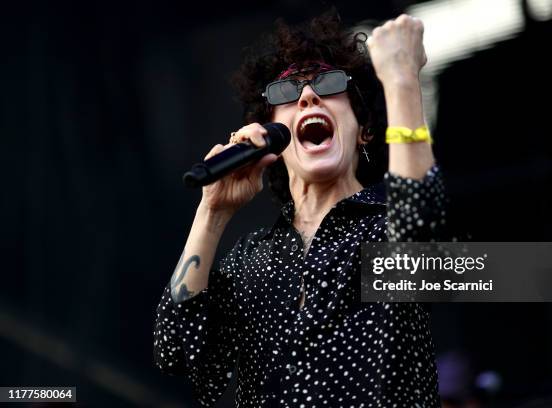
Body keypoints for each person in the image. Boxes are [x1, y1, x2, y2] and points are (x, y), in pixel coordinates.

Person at [154, 10, 449, 407]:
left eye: (327, 85)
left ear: (363, 129)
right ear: (275, 139)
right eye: (286, 92)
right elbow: (175, 352)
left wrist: (401, 80)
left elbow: (423, 236)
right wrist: (212, 211)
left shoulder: (386, 225)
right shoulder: (251, 261)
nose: (308, 96)